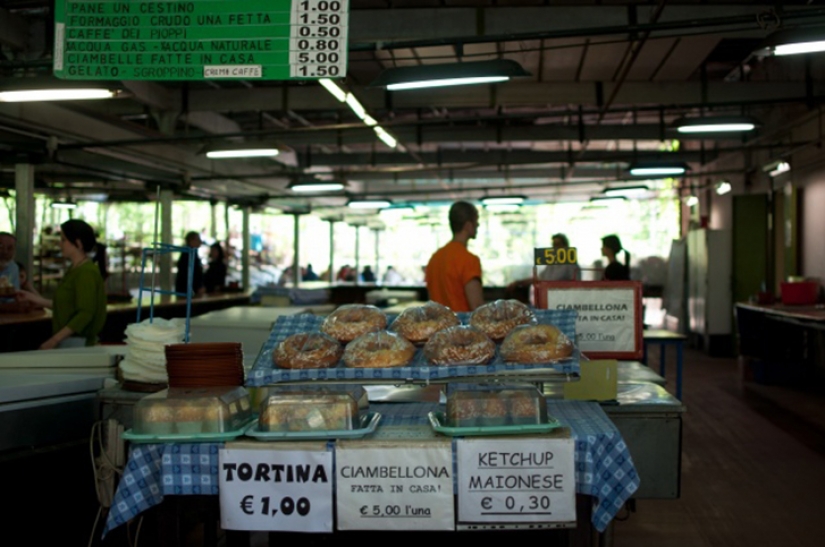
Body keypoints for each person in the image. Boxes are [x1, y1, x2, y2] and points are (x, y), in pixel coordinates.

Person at [17, 220, 107, 348]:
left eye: (63, 240)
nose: (60, 244)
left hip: (78, 343)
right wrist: (31, 297)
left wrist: (53, 341)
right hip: (69, 339)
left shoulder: (86, 272)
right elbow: (65, 306)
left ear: (78, 243)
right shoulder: (74, 269)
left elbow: (85, 314)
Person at [426, 201, 483, 312]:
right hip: (461, 327)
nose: (478, 225)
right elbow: (476, 306)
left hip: (439, 327)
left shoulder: (435, 258)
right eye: (476, 221)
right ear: (468, 225)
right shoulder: (469, 260)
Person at [508, 233, 580, 291]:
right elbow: (539, 278)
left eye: (558, 245)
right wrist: (519, 283)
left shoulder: (571, 265)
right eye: (553, 245)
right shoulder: (551, 264)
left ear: (565, 246)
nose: (555, 248)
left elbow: (577, 285)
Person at [175, 231, 205, 296]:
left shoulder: (192, 253)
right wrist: (197, 287)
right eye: (198, 239)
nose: (200, 241)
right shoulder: (188, 254)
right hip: (187, 290)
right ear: (191, 241)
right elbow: (189, 273)